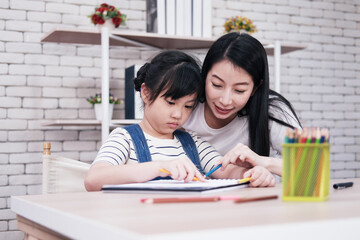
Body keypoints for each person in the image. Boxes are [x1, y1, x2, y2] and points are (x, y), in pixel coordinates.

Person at [85, 50, 274, 191]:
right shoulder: (124, 139)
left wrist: (251, 174)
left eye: (188, 106)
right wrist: (160, 167)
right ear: (146, 92)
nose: (178, 114)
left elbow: (226, 171)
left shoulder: (192, 142)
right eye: (170, 102)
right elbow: (93, 179)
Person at [183, 32, 302, 179]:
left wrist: (262, 162)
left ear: (255, 88)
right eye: (217, 85)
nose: (225, 100)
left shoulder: (271, 110)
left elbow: (313, 167)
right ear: (205, 75)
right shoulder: (185, 102)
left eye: (239, 90)